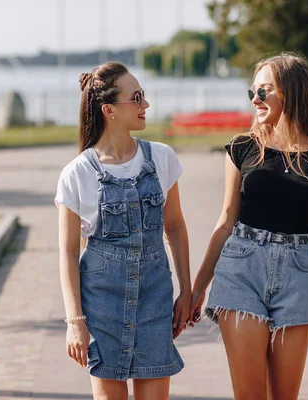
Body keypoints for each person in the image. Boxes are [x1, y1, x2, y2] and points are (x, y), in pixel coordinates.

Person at [189, 52, 308, 399]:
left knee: (283, 395)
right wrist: (198, 287)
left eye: (264, 91)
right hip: (241, 270)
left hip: (297, 275)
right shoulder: (242, 148)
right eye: (253, 91)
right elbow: (225, 221)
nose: (255, 99)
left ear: (291, 93)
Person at [55, 61, 191, 400]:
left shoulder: (162, 158)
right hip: (101, 307)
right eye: (138, 98)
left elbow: (174, 228)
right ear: (109, 111)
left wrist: (186, 291)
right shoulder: (76, 174)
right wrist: (76, 322)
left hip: (155, 304)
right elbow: (68, 252)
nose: (146, 105)